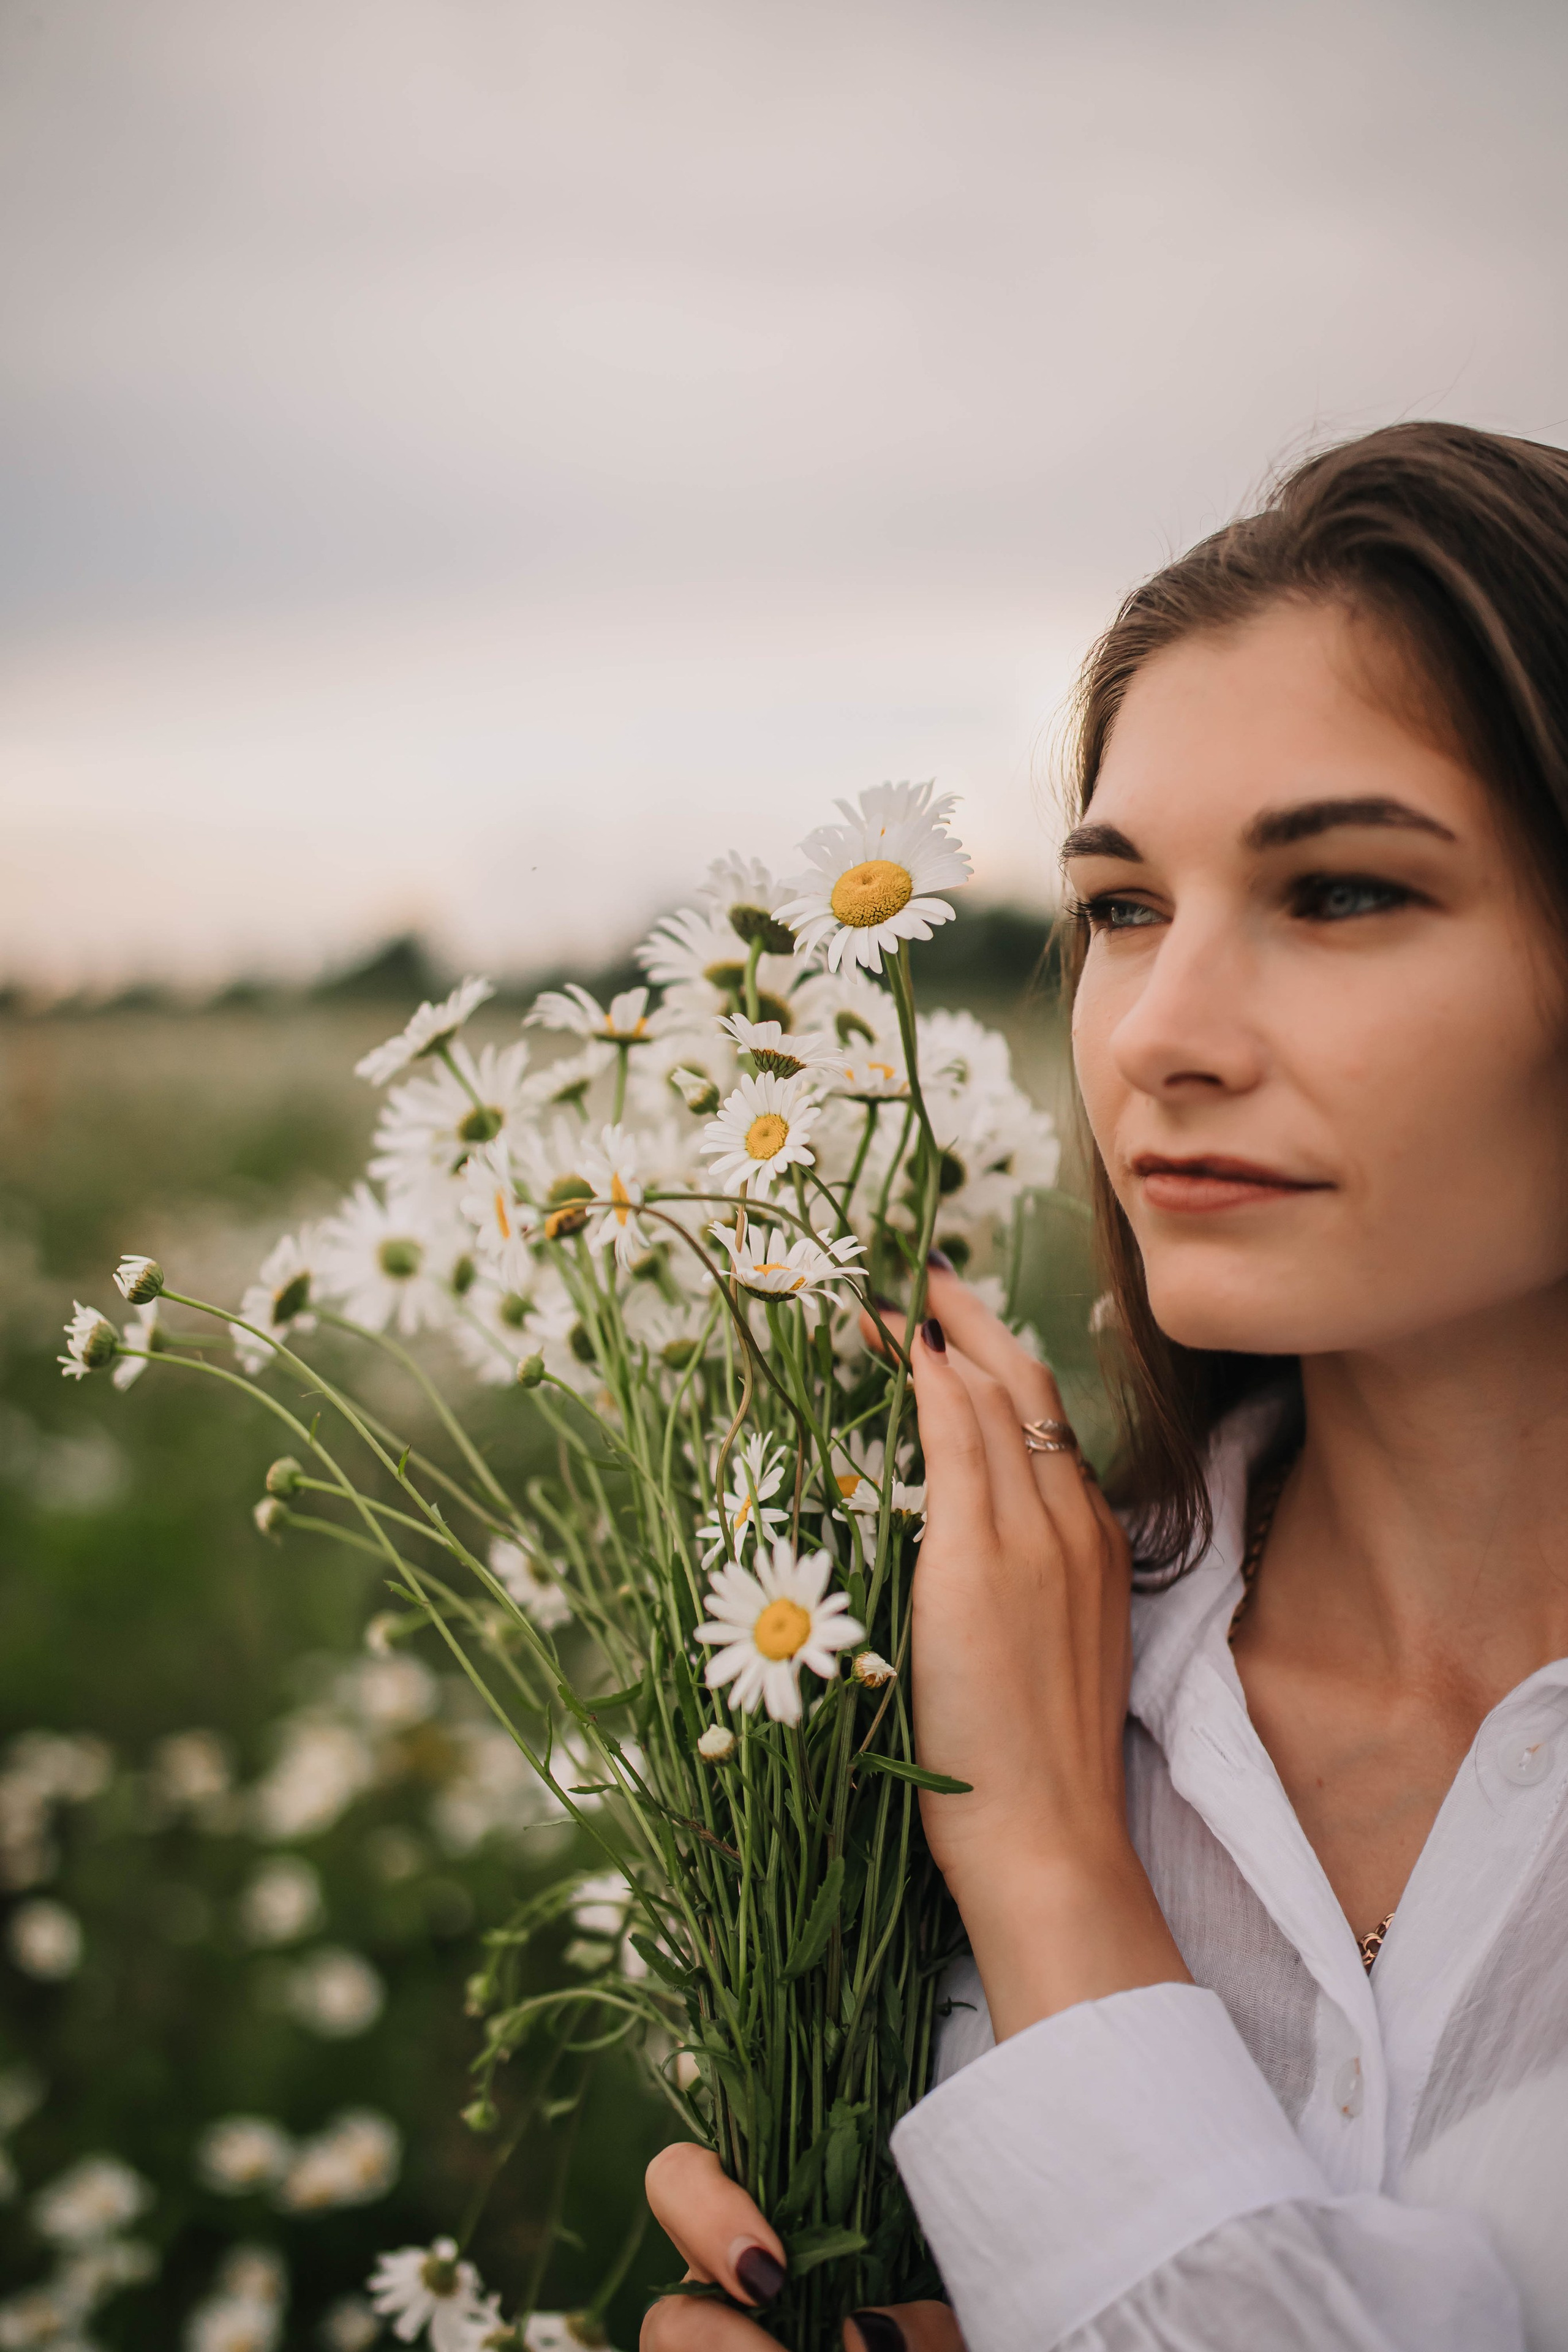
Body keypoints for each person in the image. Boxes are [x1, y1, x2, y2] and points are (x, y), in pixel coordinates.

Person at [640, 422, 1568, 2352]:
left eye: (1337, 895)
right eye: (1124, 908)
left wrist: (1054, 1876)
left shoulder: (1019, 1770)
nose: (1156, 1036)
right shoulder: (910, 1692)